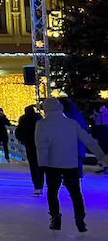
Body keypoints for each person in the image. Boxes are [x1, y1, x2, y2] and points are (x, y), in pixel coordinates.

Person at [36, 98, 107, 232]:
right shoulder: (71, 124)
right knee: (75, 193)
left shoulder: (42, 125)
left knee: (52, 192)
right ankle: (80, 219)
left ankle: (55, 218)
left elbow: (42, 146)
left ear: (45, 109)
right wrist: (101, 156)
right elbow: (88, 141)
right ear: (60, 108)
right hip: (71, 163)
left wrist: (42, 164)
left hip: (52, 164)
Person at [15, 105, 44, 195]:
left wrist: (22, 140)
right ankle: (40, 184)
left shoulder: (23, 120)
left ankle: (36, 185)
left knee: (33, 165)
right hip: (40, 144)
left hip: (29, 145)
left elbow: (18, 132)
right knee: (40, 165)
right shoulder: (39, 118)